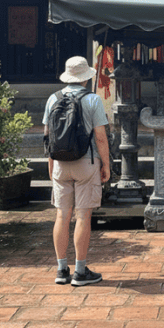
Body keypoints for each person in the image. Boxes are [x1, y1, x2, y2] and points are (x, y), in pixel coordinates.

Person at [43, 56, 111, 286]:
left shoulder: (53, 98)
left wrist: (51, 166)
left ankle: (62, 269)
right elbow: (100, 137)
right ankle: (80, 272)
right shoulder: (92, 100)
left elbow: (48, 136)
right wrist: (106, 165)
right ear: (86, 77)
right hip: (86, 161)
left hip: (60, 163)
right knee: (83, 215)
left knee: (62, 215)